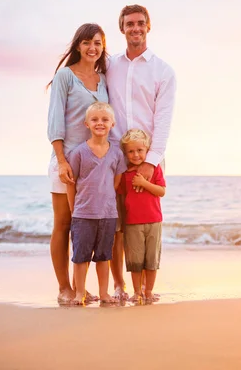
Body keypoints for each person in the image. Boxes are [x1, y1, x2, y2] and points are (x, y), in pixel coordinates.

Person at [106, 4, 176, 299]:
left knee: (143, 223)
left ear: (148, 26)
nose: (135, 28)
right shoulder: (110, 66)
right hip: (114, 159)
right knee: (116, 225)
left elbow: (163, 120)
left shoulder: (163, 71)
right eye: (129, 24)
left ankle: (146, 288)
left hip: (147, 160)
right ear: (121, 28)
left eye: (140, 23)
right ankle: (120, 285)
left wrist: (150, 162)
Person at [47, 23, 109, 303]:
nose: (92, 48)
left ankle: (79, 287)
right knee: (63, 223)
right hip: (67, 162)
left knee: (82, 226)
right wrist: (61, 161)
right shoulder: (65, 77)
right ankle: (64, 288)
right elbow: (55, 122)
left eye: (97, 42)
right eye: (86, 42)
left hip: (93, 166)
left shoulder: (103, 80)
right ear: (77, 46)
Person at [66, 102, 126, 305]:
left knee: (103, 257)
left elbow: (116, 182)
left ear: (112, 123)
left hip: (108, 214)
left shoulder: (117, 153)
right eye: (95, 119)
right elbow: (71, 183)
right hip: (83, 214)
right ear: (86, 123)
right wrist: (74, 210)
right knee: (81, 257)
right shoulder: (79, 153)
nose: (100, 123)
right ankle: (79, 293)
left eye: (104, 119)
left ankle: (104, 293)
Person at [118, 129, 165, 303]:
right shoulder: (125, 174)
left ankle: (149, 291)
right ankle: (137, 292)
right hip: (132, 223)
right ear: (125, 153)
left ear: (147, 150)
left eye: (140, 150)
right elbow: (122, 198)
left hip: (154, 221)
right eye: (130, 151)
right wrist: (122, 222)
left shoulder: (155, 169)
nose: (135, 154)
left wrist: (144, 183)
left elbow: (161, 191)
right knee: (135, 261)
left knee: (151, 260)